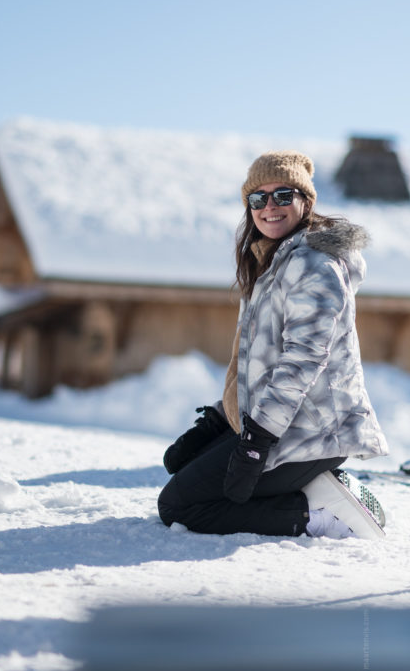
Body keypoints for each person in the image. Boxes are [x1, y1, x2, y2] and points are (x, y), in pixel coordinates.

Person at [158, 150, 389, 540]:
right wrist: (220, 418)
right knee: (190, 473)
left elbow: (303, 358)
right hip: (289, 425)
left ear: (305, 201)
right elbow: (260, 362)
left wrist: (256, 440)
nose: (269, 207)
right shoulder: (271, 262)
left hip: (314, 431)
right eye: (258, 198)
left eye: (283, 195)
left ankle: (319, 515)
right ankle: (312, 484)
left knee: (180, 505)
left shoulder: (313, 264)